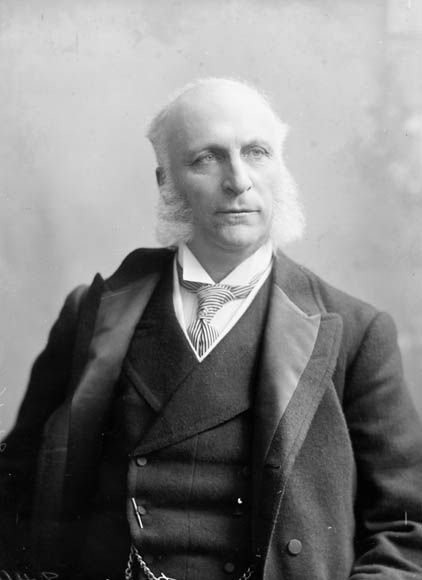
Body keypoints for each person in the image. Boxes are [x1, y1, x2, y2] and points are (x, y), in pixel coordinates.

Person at [1, 77, 422, 580]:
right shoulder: (93, 313)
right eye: (207, 158)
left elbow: (406, 530)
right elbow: (14, 493)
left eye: (257, 153)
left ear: (280, 167)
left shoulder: (356, 332)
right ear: (166, 181)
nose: (239, 181)